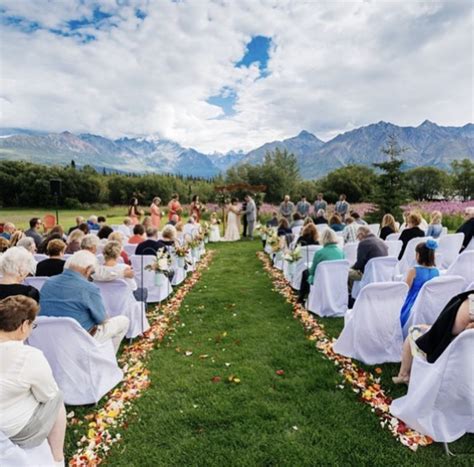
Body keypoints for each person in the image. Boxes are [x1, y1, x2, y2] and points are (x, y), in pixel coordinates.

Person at [0, 295, 66, 464]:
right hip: (16, 430)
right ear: (23, 326)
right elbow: (47, 395)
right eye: (32, 325)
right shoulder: (28, 356)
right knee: (57, 398)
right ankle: (58, 458)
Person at [39, 251, 129, 353]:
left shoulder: (48, 282)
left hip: (49, 337)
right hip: (80, 339)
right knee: (123, 321)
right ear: (88, 270)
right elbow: (101, 319)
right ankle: (107, 361)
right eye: (92, 273)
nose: (91, 277)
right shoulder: (88, 288)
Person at [392, 290, 474, 384]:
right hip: (466, 357)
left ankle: (403, 375)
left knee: (414, 331)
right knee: (424, 327)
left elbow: (447, 332)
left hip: (446, 352)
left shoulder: (470, 304)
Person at [399, 240, 440, 335]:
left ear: (418, 255)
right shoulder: (436, 272)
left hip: (412, 303)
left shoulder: (413, 271)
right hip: (428, 303)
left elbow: (405, 289)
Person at [297, 229, 345, 303]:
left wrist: (311, 268)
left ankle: (302, 297)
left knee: (305, 272)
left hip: (324, 278)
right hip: (338, 278)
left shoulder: (319, 253)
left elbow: (312, 271)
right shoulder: (341, 252)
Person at [348, 226, 388, 295]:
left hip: (368, 274)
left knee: (347, 273)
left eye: (357, 236)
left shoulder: (363, 243)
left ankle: (353, 298)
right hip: (382, 274)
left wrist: (350, 268)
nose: (358, 239)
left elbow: (359, 265)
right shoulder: (381, 241)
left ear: (361, 234)